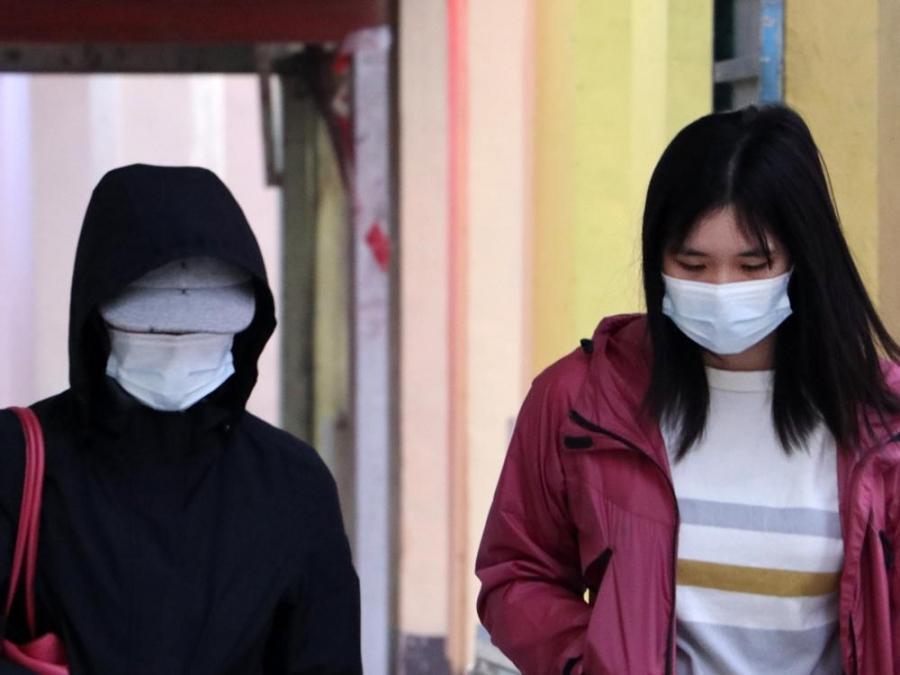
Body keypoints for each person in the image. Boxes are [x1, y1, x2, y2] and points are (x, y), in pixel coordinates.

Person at [475, 105, 900, 675]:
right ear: (658, 259)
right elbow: (517, 574)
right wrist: (594, 663)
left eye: (754, 265)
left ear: (804, 258)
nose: (721, 288)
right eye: (692, 264)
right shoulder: (579, 402)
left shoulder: (884, 426)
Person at [0, 164, 362, 674]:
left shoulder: (295, 485)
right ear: (97, 318)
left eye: (203, 331)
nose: (175, 351)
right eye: (151, 328)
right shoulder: (16, 463)